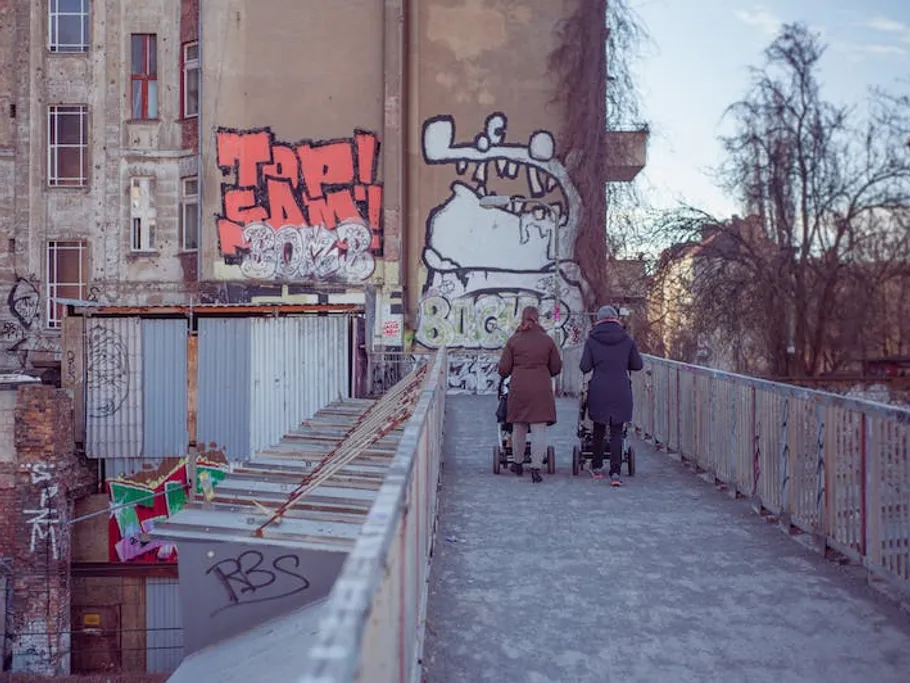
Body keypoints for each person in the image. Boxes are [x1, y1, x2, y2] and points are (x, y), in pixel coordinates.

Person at [579, 305, 643, 486]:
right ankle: (615, 472)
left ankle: (597, 466)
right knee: (617, 430)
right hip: (621, 388)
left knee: (598, 427)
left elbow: (585, 367)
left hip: (599, 388)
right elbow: (637, 365)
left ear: (598, 319)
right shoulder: (627, 339)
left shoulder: (592, 340)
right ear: (616, 319)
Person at [497, 306, 563, 484]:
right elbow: (556, 367)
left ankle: (517, 464)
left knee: (519, 426)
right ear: (537, 319)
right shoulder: (547, 341)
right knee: (538, 428)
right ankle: (535, 469)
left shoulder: (513, 340)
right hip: (541, 388)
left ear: (523, 318)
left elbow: (503, 369)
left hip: (519, 387)